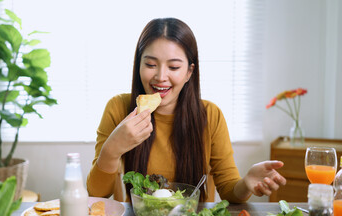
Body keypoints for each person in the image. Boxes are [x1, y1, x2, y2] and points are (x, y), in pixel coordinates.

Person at [86, 18, 286, 202]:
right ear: (138, 65)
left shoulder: (210, 115)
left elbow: (229, 190)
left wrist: (247, 183)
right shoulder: (119, 108)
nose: (161, 76)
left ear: (189, 72)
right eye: (150, 64)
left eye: (173, 67)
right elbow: (96, 194)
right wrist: (111, 151)